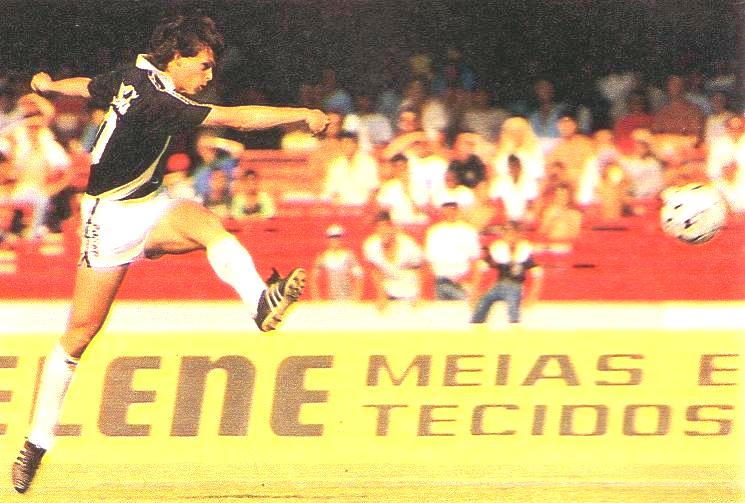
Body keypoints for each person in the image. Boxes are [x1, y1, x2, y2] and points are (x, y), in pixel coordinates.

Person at [12, 15, 328, 494]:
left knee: (207, 224)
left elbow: (91, 87)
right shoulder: (161, 102)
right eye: (203, 65)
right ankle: (37, 442)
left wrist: (53, 85)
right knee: (79, 335)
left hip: (151, 204)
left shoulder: (131, 77)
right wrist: (300, 114)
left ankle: (260, 304)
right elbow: (236, 118)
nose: (208, 75)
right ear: (176, 59)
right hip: (108, 220)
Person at [470, 221, 543, 325]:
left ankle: (514, 326)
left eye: (514, 234)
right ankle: (476, 324)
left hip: (516, 286)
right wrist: (474, 292)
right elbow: (480, 268)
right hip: (499, 285)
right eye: (508, 234)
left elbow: (538, 274)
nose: (511, 238)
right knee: (483, 303)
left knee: (513, 303)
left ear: (519, 235)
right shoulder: (498, 249)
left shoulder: (526, 250)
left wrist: (533, 295)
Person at [363, 210, 423, 311]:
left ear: (393, 228)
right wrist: (381, 295)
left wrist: (419, 295)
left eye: (385, 227)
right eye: (378, 228)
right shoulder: (371, 246)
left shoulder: (409, 246)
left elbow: (421, 269)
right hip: (389, 294)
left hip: (411, 294)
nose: (382, 231)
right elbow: (375, 271)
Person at [424, 201, 481, 301]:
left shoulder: (468, 231)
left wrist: (473, 286)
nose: (450, 212)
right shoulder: (434, 232)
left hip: (462, 281)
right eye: (446, 209)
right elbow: (429, 262)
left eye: (453, 209)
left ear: (458, 210)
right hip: (440, 280)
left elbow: (475, 261)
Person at [310, 224, 364, 300]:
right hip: (330, 298)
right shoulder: (323, 257)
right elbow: (313, 278)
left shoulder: (349, 256)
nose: (335, 240)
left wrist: (356, 296)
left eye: (338, 237)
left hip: (348, 298)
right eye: (332, 237)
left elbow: (359, 276)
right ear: (328, 239)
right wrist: (316, 297)